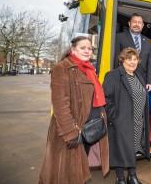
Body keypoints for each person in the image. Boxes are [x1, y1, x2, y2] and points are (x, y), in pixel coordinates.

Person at [39, 36, 109, 184]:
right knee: (64, 172)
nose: (87, 51)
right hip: (71, 128)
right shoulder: (62, 67)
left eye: (89, 48)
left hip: (88, 127)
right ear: (73, 49)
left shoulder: (89, 68)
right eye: (83, 48)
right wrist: (70, 132)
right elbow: (59, 103)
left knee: (80, 168)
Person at [103, 48, 149, 184]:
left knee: (133, 147)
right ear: (122, 60)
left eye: (135, 59)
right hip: (122, 120)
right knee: (120, 148)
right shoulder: (113, 75)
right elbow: (106, 99)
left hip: (137, 120)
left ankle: (132, 175)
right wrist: (115, 118)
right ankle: (120, 178)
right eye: (129, 59)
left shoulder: (138, 75)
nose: (132, 62)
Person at [115, 13, 151, 92]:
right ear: (129, 23)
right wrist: (116, 77)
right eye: (134, 22)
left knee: (140, 102)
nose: (137, 24)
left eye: (139, 22)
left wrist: (150, 81)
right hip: (124, 78)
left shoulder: (147, 41)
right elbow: (116, 58)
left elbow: (150, 62)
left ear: (142, 25)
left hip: (142, 80)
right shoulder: (119, 37)